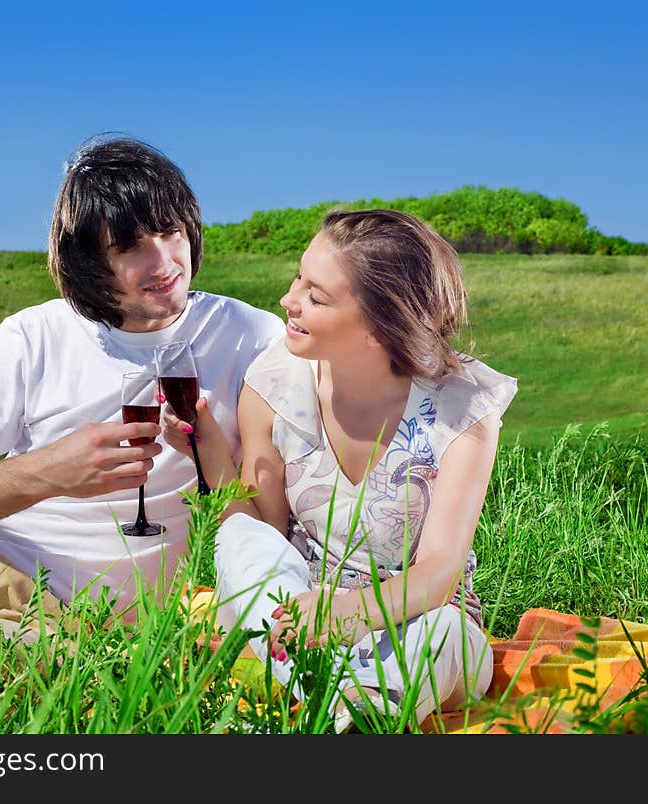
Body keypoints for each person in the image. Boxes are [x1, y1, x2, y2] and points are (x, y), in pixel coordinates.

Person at [0, 135, 285, 666]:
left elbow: (271, 525)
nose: (165, 262)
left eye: (170, 232)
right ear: (87, 262)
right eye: (129, 248)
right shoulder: (32, 336)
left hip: (79, 619)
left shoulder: (251, 337)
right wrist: (51, 472)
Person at [162, 208, 517, 730]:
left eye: (316, 296)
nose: (288, 300)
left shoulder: (462, 410)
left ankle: (359, 703)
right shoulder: (273, 383)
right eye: (298, 279)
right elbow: (266, 530)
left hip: (412, 621)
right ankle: (339, 692)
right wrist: (208, 445)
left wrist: (347, 612)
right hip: (300, 617)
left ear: (380, 327)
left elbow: (439, 575)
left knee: (448, 638)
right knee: (239, 538)